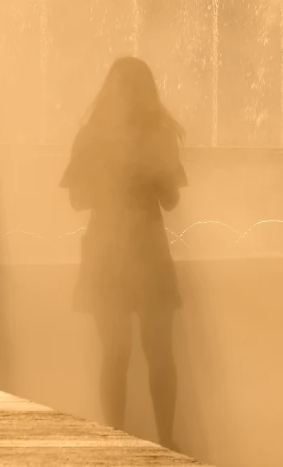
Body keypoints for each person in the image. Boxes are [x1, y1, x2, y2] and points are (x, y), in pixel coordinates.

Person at [61, 57, 186, 448]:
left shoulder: (96, 134)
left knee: (122, 351)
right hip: (134, 248)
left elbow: (78, 200)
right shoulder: (151, 135)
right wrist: (131, 176)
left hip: (116, 249)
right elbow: (171, 201)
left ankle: (124, 440)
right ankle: (157, 440)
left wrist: (129, 175)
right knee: (148, 351)